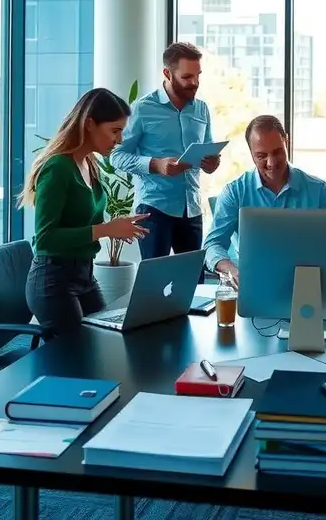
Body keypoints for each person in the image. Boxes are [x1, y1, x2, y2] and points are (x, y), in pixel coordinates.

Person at [23, 88, 149, 337]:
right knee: (81, 357)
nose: (120, 139)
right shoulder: (58, 168)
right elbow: (45, 239)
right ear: (90, 124)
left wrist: (115, 225)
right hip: (53, 280)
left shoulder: (89, 164)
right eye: (115, 130)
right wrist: (106, 230)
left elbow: (83, 221)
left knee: (108, 340)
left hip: (84, 275)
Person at [110, 42, 220, 259]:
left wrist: (212, 163)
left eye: (198, 75)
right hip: (154, 209)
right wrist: (155, 165)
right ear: (167, 73)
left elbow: (208, 151)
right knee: (154, 284)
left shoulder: (202, 109)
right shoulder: (143, 109)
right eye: (187, 77)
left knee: (193, 283)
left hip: (192, 209)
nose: (194, 83)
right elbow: (116, 156)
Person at [203, 115, 326, 282]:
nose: (271, 163)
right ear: (251, 153)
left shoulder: (319, 191)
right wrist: (233, 271)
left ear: (286, 142)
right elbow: (212, 245)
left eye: (277, 152)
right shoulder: (235, 192)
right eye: (261, 156)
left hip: (307, 282)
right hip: (254, 281)